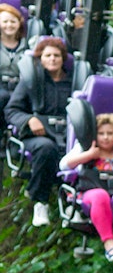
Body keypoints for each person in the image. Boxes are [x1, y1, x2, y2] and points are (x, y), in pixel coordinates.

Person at [5, 36, 72, 226]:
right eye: (47, 55)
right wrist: (29, 119)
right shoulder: (31, 82)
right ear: (40, 58)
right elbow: (12, 110)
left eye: (56, 55)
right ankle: (40, 201)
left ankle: (72, 203)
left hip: (67, 134)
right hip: (38, 135)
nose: (52, 59)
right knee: (46, 149)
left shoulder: (73, 83)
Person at [59, 112, 113, 260]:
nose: (106, 137)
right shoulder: (86, 148)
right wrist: (87, 156)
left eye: (110, 133)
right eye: (101, 133)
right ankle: (109, 245)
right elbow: (63, 165)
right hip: (91, 191)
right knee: (100, 195)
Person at [0, 3, 29, 130]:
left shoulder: (28, 46)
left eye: (13, 21)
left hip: (19, 86)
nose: (9, 25)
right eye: (5, 21)